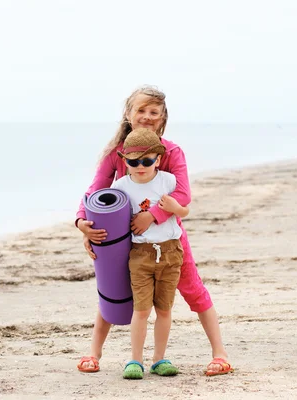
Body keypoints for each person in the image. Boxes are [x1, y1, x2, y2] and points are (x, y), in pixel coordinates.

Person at [75, 85, 233, 377]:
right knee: (113, 289)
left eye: (154, 112)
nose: (147, 116)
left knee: (193, 290)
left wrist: (153, 215)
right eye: (141, 110)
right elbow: (95, 191)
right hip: (125, 239)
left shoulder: (170, 152)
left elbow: (183, 196)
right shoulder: (116, 153)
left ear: (162, 119)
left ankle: (219, 354)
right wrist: (82, 222)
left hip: (170, 240)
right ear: (128, 114)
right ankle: (94, 352)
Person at [110, 128, 188, 379]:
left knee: (164, 309)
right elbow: (112, 219)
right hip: (140, 255)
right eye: (133, 161)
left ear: (158, 158)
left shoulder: (168, 181)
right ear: (125, 161)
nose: (140, 166)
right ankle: (135, 360)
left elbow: (183, 211)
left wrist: (176, 207)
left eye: (147, 160)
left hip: (170, 252)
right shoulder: (121, 186)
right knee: (141, 310)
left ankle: (159, 358)